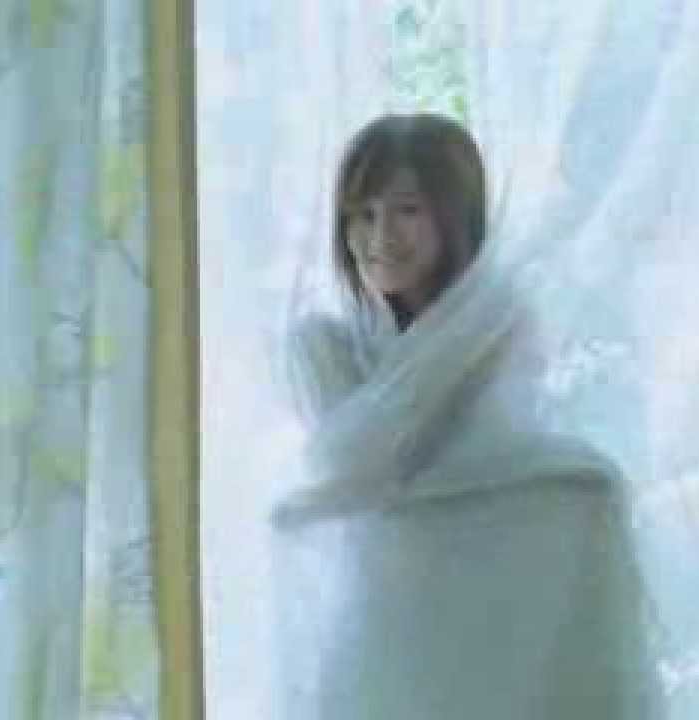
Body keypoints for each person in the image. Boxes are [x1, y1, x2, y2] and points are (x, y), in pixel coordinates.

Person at [267, 113, 658, 719]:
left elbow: (490, 456)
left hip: (495, 618)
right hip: (383, 631)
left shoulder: (501, 322)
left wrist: (580, 480)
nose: (380, 235)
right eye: (362, 215)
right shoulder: (322, 344)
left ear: (453, 216)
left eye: (406, 211)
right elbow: (355, 469)